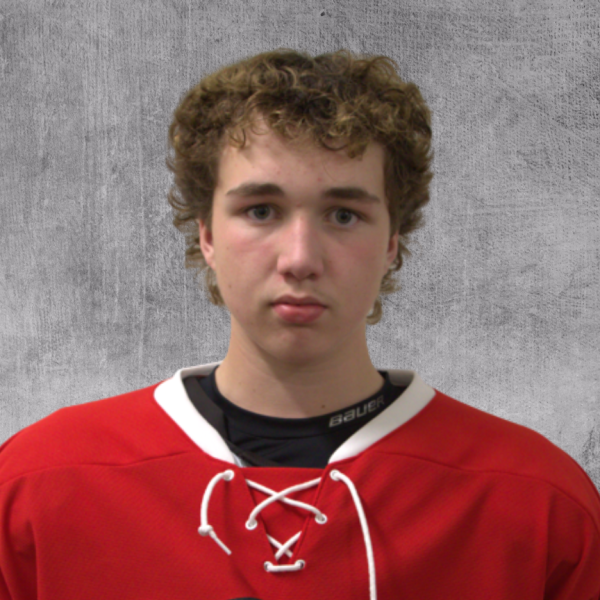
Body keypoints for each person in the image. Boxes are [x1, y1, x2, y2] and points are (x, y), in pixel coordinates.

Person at [1, 48, 599, 600]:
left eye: (343, 215)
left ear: (392, 242)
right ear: (207, 235)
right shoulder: (38, 487)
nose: (300, 258)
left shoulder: (537, 503)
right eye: (261, 210)